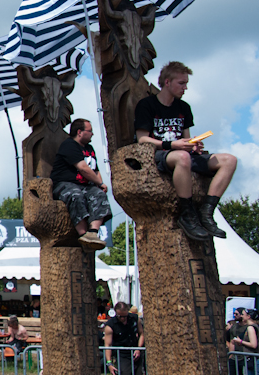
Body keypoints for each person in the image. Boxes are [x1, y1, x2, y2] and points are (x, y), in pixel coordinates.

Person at [134, 61, 237, 241]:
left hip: (182, 152)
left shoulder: (184, 108)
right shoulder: (147, 105)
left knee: (230, 160)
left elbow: (186, 138)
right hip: (161, 153)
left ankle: (206, 212)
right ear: (167, 82)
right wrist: (173, 145)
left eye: (186, 83)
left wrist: (194, 145)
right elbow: (142, 139)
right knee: (182, 156)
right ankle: (187, 213)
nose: (185, 88)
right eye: (181, 83)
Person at [50, 118, 110, 252]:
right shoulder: (69, 145)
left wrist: (100, 185)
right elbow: (83, 168)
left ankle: (93, 233)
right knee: (75, 195)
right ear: (80, 132)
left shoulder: (90, 148)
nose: (92, 134)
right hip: (64, 185)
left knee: (99, 195)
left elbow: (95, 169)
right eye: (90, 131)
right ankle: (83, 235)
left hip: (86, 186)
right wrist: (98, 182)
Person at [103, 301, 145, 375]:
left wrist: (138, 349)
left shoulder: (135, 319)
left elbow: (142, 334)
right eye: (120, 316)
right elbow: (107, 345)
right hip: (121, 355)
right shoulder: (110, 325)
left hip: (135, 352)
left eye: (125, 316)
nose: (123, 319)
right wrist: (109, 363)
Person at [231, 308, 258, 375]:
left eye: (243, 314)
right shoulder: (254, 326)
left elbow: (254, 344)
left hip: (252, 359)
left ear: (248, 316)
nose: (241, 316)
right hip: (251, 359)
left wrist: (241, 341)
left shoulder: (251, 327)